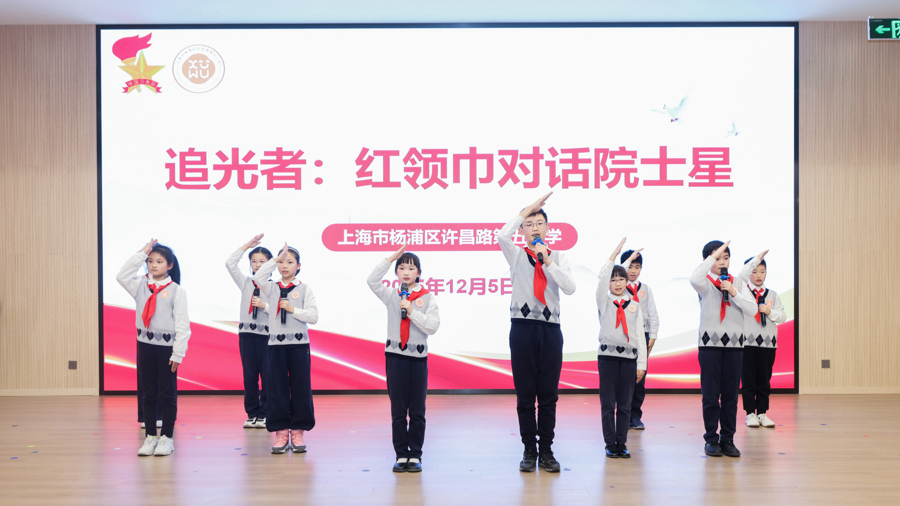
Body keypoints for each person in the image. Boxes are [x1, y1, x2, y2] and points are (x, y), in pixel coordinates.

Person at [499, 192, 575, 473]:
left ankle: (547, 450)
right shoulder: (516, 255)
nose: (534, 228)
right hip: (522, 329)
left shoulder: (558, 257)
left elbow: (570, 287)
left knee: (548, 396)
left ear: (547, 228)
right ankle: (529, 449)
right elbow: (502, 236)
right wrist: (527, 209)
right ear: (522, 230)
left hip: (550, 331)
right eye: (529, 224)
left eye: (539, 223)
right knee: (525, 395)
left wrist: (548, 261)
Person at [367, 245, 440, 473]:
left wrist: (412, 311)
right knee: (398, 410)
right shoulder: (391, 294)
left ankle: (415, 454)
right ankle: (401, 454)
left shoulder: (427, 297)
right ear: (396, 272)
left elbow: (432, 327)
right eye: (401, 268)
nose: (406, 272)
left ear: (419, 272)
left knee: (417, 410)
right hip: (395, 358)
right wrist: (390, 258)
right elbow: (371, 280)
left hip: (417, 360)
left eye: (411, 268)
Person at [117, 239, 191, 457]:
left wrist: (178, 353)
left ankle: (167, 437)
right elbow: (121, 276)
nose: (153, 265)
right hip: (145, 345)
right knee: (148, 393)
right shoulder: (140, 285)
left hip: (167, 348)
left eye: (159, 261)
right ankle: (150, 436)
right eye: (150, 261)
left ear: (170, 265)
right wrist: (142, 253)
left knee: (167, 393)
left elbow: (183, 325)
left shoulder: (177, 291)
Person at [690, 240, 758, 458]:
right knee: (710, 395)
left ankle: (728, 439)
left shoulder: (737, 282)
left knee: (730, 396)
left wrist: (734, 293)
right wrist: (712, 257)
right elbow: (694, 278)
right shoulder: (704, 283)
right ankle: (711, 439)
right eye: (717, 258)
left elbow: (752, 309)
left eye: (725, 258)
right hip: (709, 346)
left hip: (735, 347)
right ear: (707, 260)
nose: (722, 262)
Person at [253, 243, 318, 454]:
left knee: (300, 388)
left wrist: (292, 309)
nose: (284, 266)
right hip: (276, 346)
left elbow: (313, 317)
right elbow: (259, 277)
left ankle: (298, 430)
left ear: (298, 266)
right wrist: (274, 259)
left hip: (299, 345)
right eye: (281, 262)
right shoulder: (271, 287)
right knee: (276, 389)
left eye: (290, 262)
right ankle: (281, 432)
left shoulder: (304, 289)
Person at [597, 240, 647, 458]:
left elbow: (640, 338)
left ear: (627, 281)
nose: (617, 283)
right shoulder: (604, 301)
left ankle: (622, 442)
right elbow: (601, 278)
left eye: (621, 279)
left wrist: (641, 364)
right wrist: (615, 255)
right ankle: (610, 443)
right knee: (608, 403)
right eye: (613, 280)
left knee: (625, 404)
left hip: (628, 360)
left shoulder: (634, 305)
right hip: (607, 358)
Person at [225, 233, 272, 429]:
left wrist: (264, 306)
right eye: (254, 261)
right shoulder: (245, 282)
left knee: (267, 376)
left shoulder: (274, 286)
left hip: (267, 336)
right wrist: (246, 246)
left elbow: (279, 311)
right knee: (250, 375)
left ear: (272, 264)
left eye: (262, 261)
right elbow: (230, 263)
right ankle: (252, 413)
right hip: (246, 334)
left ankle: (266, 413)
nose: (258, 265)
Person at [739, 251, 786, 428]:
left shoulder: (772, 294)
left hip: (768, 344)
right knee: (748, 380)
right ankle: (750, 413)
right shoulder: (742, 293)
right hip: (747, 344)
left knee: (764, 381)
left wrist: (769, 311)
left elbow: (782, 316)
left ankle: (762, 413)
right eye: (754, 271)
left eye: (762, 271)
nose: (758, 275)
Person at [620, 249, 660, 430]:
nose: (633, 271)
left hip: (642, 336)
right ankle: (623, 414)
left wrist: (653, 336)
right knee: (624, 378)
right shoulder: (618, 288)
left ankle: (635, 416)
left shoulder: (645, 289)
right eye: (629, 266)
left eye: (637, 267)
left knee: (639, 377)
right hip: (623, 336)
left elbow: (653, 314)